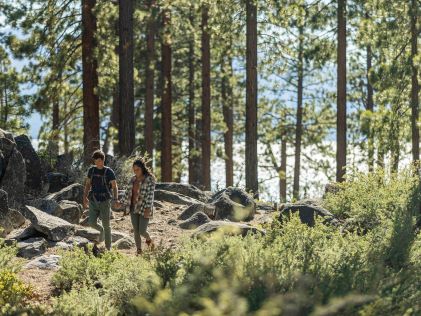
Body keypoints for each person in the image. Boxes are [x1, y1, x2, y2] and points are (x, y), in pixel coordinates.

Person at [83, 150, 119, 251]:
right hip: (93, 200)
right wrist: (84, 197)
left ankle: (108, 248)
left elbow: (115, 186)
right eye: (95, 160)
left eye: (98, 160)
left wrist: (116, 199)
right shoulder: (92, 170)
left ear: (103, 160)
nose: (96, 162)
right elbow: (87, 184)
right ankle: (101, 231)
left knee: (107, 225)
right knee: (91, 223)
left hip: (105, 201)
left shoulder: (109, 172)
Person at [124, 158, 156, 255]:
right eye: (134, 170)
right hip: (133, 207)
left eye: (137, 169)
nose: (135, 172)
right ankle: (139, 250)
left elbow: (151, 195)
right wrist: (121, 203)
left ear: (142, 168)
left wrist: (148, 208)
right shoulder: (132, 179)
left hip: (144, 208)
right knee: (136, 231)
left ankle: (149, 240)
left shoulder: (150, 179)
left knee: (142, 231)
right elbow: (127, 193)